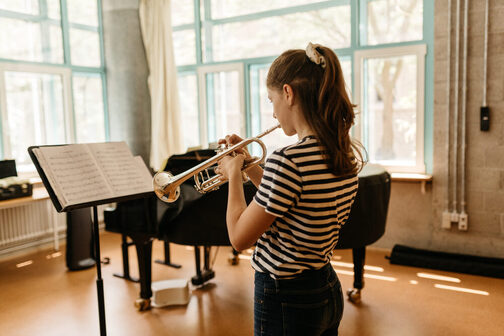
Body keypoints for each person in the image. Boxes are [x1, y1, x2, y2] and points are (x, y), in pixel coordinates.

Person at [217, 42, 364, 336]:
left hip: (285, 297)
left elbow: (238, 238)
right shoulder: (340, 153)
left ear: (288, 93)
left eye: (271, 100)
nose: (273, 113)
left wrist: (233, 175)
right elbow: (290, 204)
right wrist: (248, 165)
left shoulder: (288, 160)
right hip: (324, 288)